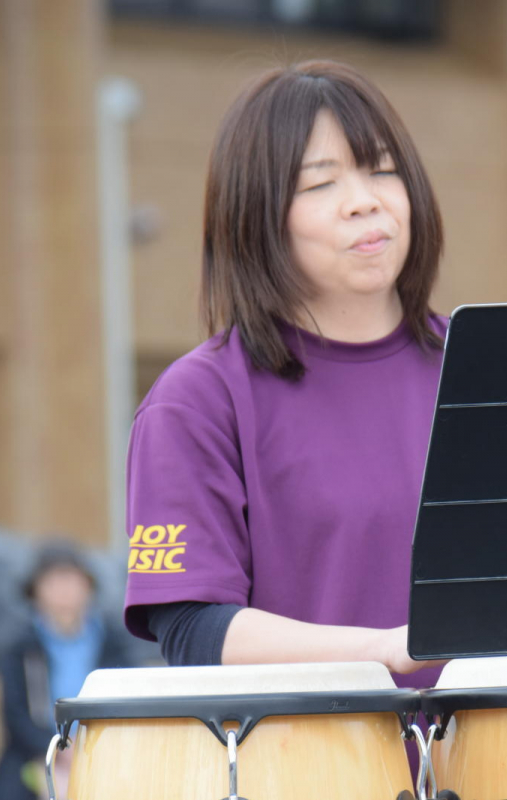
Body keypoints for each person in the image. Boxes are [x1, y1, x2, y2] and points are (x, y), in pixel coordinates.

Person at [122, 61, 447, 688]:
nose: (365, 201)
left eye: (383, 169)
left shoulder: (489, 365)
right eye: (320, 184)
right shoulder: (198, 400)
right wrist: (387, 649)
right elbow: (193, 626)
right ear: (258, 216)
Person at [0, 542, 131, 800]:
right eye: (52, 582)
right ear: (35, 592)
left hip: (107, 748)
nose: (63, 591)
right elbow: (15, 715)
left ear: (88, 587)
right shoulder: (21, 648)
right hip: (37, 750)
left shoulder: (113, 643)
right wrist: (58, 749)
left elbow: (130, 702)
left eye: (71, 581)